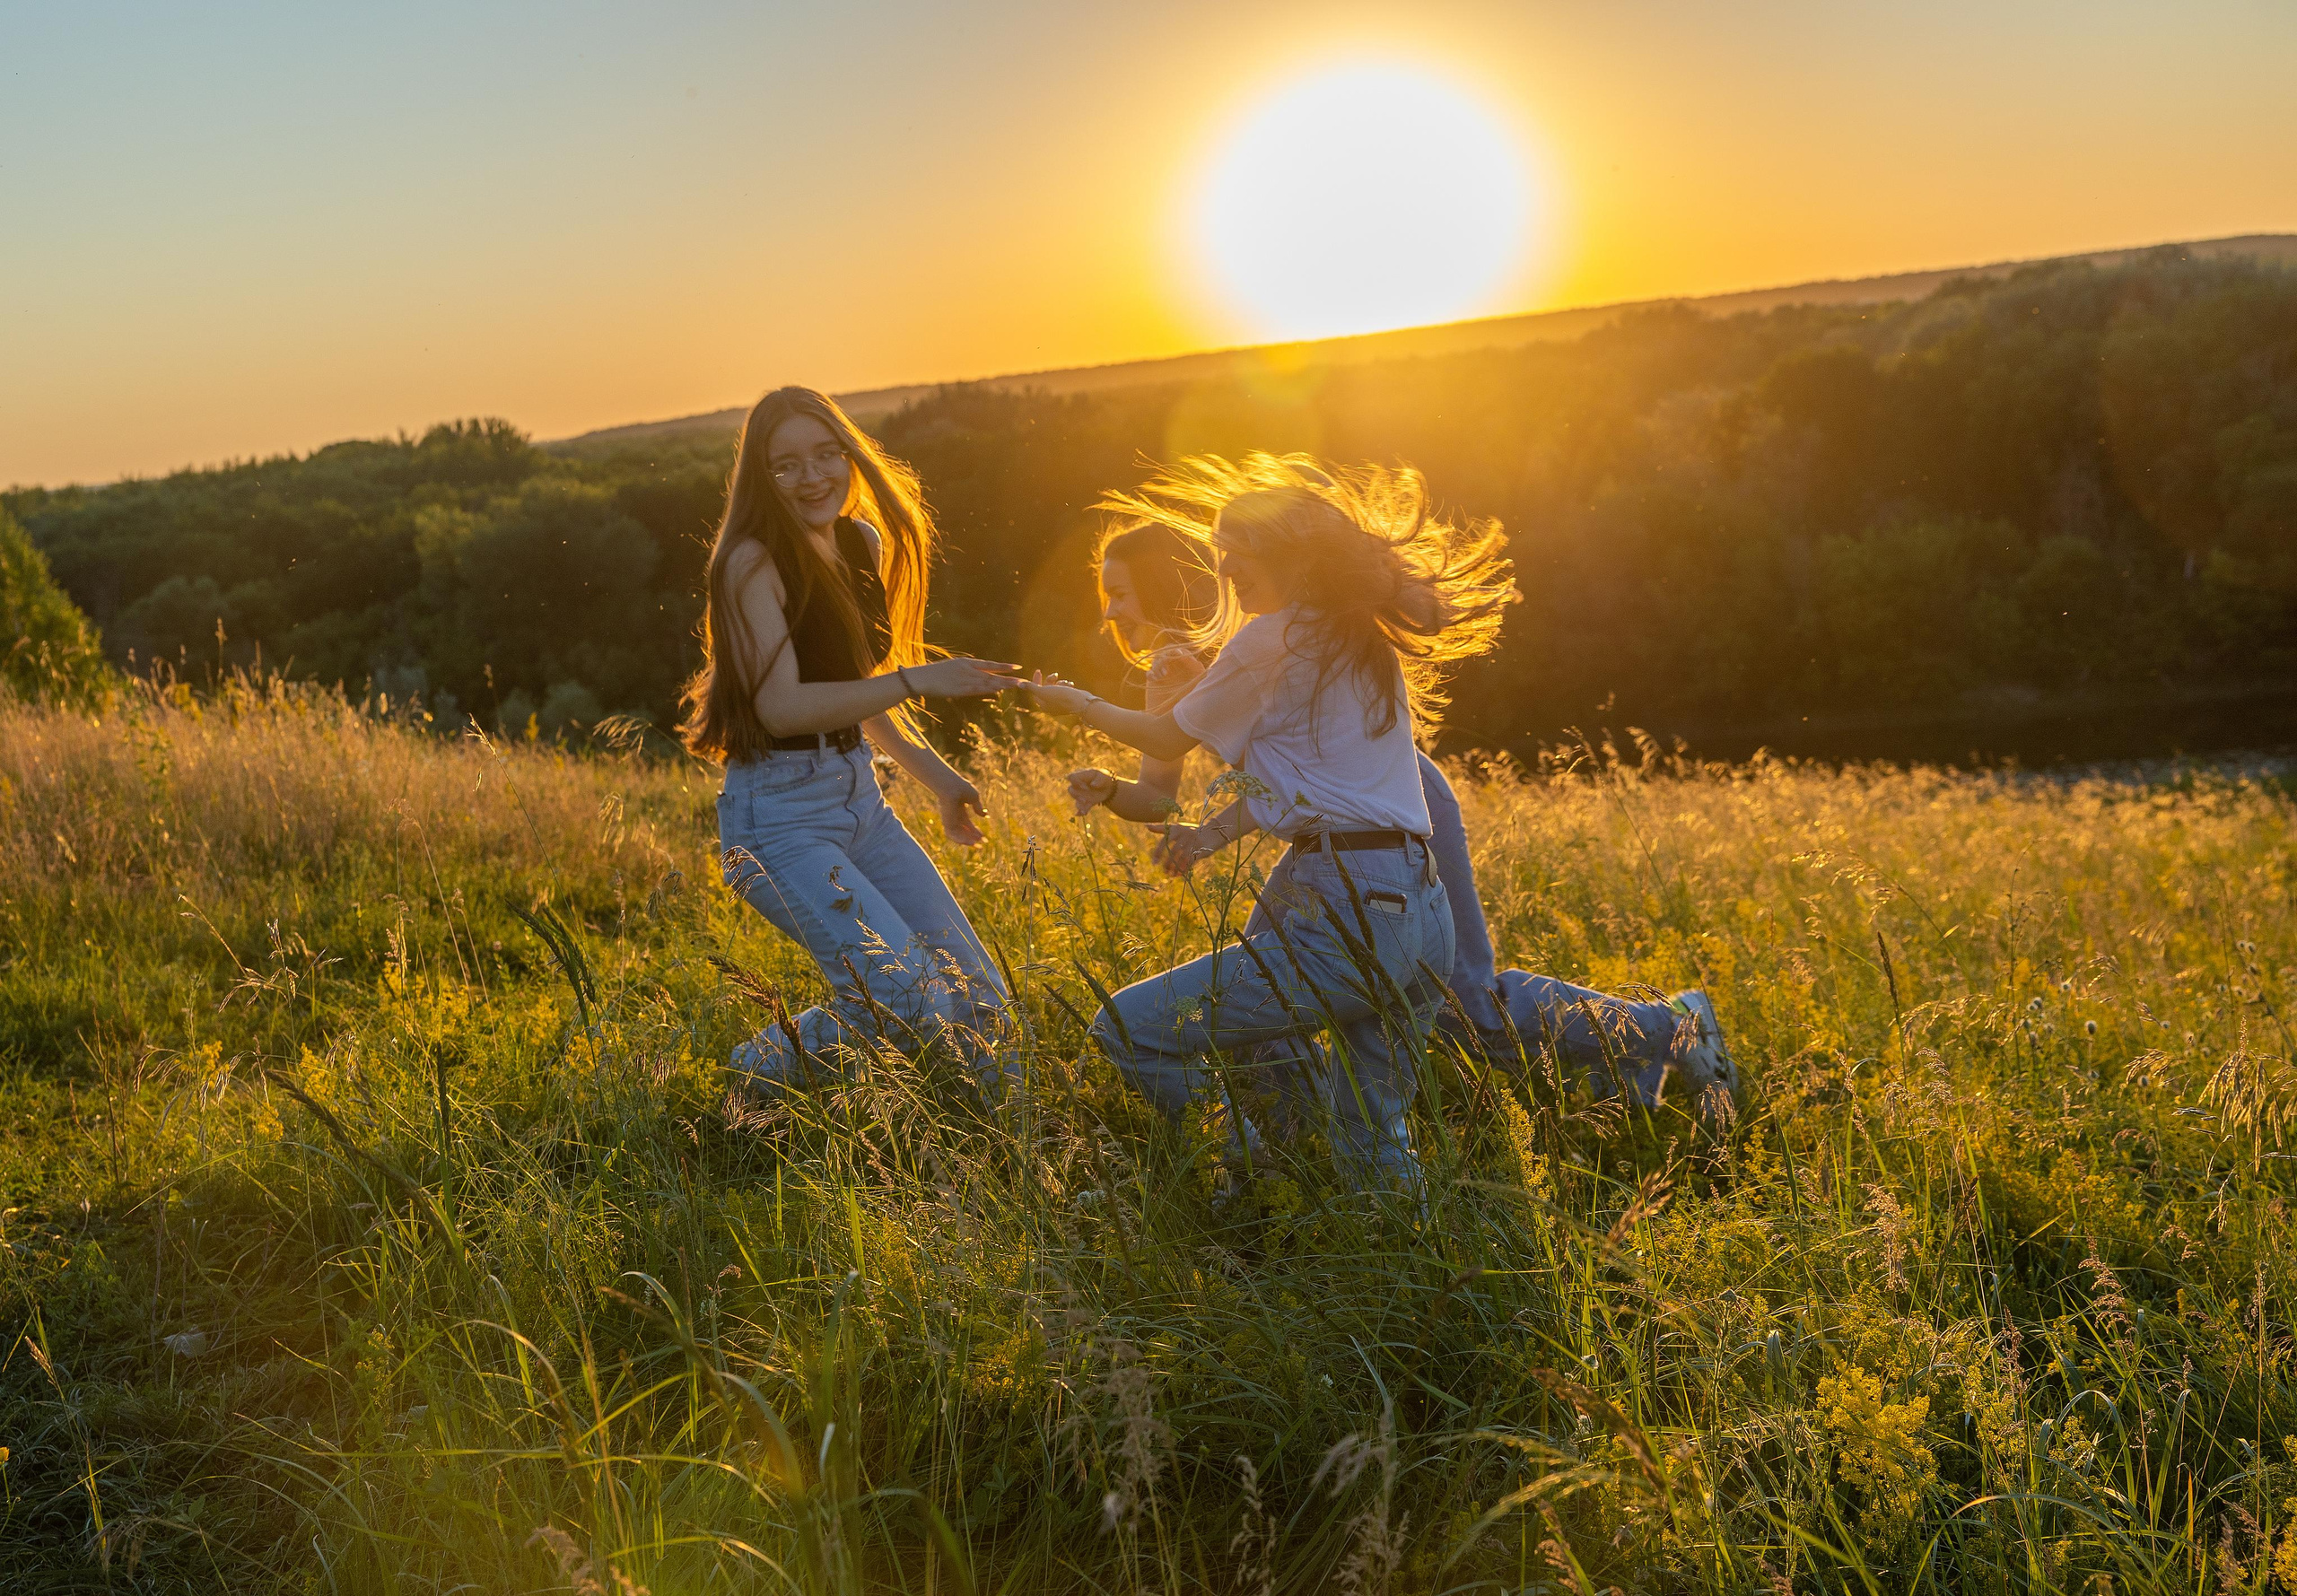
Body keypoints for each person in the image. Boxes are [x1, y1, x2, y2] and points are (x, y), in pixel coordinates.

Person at [1058, 468, 1741, 1124]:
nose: (1110, 611)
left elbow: (1250, 745)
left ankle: (1668, 1029)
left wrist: (1075, 703)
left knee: (1467, 1007)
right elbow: (1161, 790)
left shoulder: (1261, 627)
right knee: (1264, 1017)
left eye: (1118, 592)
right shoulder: (1185, 657)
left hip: (1391, 812)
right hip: (1320, 836)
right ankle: (1302, 1155)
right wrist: (1123, 794)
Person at [1026, 454, 1516, 1188]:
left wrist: (1073, 703)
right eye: (1220, 559)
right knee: (1372, 1143)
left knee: (1127, 1028)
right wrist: (1209, 834)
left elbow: (1164, 741)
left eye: (1237, 556)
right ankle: (1395, 1257)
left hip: (1345, 902)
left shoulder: (1271, 637)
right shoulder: (1353, 635)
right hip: (1420, 910)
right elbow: (1305, 782)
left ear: (1288, 553)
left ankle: (1249, 1176)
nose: (1226, 573)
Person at [681, 386, 1020, 1086]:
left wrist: (938, 777)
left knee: (981, 1000)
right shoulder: (750, 563)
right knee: (908, 997)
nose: (813, 478)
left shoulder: (857, 540)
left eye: (826, 454)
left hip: (859, 799)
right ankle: (749, 1080)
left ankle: (1022, 1157)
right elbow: (780, 708)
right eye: (787, 465)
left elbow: (854, 693)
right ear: (760, 476)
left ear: (849, 453)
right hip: (777, 819)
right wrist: (919, 681)